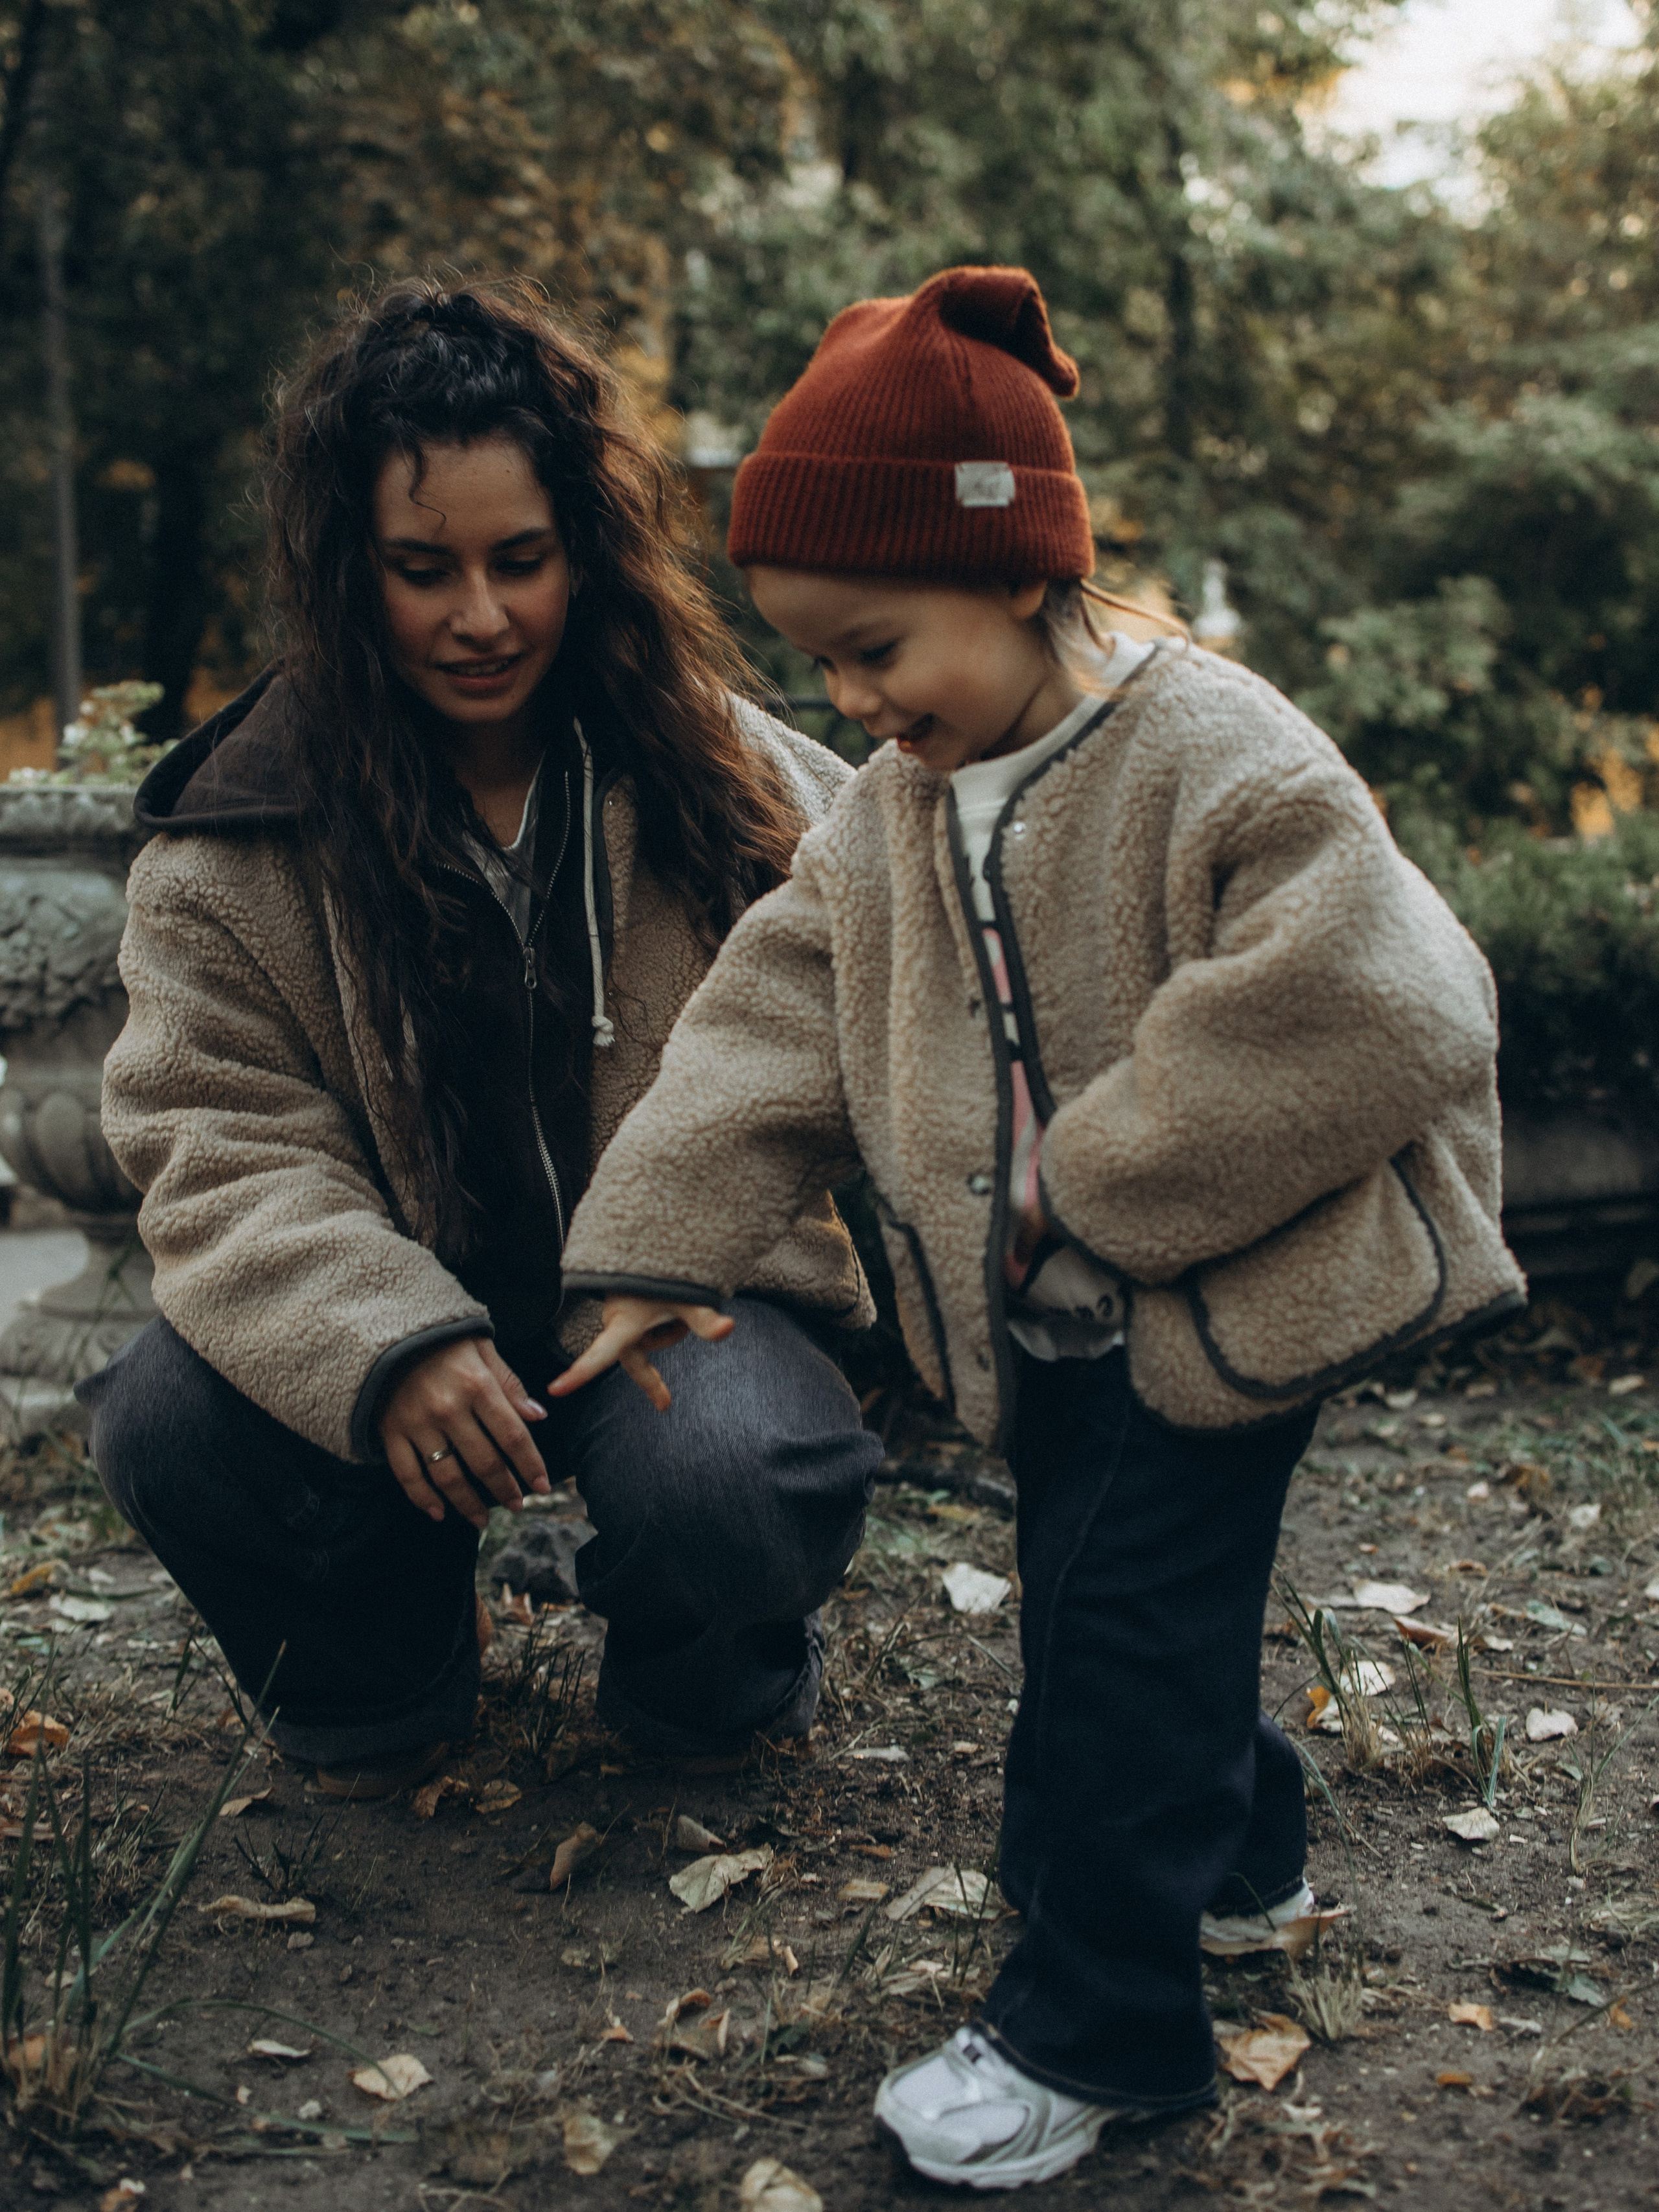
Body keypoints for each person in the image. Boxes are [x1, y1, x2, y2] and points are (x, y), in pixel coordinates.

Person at [547, 265, 1527, 2188]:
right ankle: (1233, 1844)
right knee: (1113, 1614)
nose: (849, 700)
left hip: (1226, 1300)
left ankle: (1103, 2024)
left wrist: (1098, 1173)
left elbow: (1386, 994)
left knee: (1116, 1630)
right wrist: (661, 1231)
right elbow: (775, 1008)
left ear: (1016, 569)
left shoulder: (1216, 751)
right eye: (817, 659)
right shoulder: (896, 807)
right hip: (1049, 1319)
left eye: (877, 644)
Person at [78, 279, 881, 1796]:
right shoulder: (236, 836)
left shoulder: (721, 768)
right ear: (343, 567)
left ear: (583, 548)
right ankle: (383, 1690)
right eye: (419, 568)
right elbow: (214, 1135)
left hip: (674, 1330)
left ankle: (703, 1688)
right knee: (168, 1415)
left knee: (731, 1472)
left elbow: (900, 954)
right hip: (391, 1349)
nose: (480, 616)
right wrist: (384, 1342)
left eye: (522, 560)